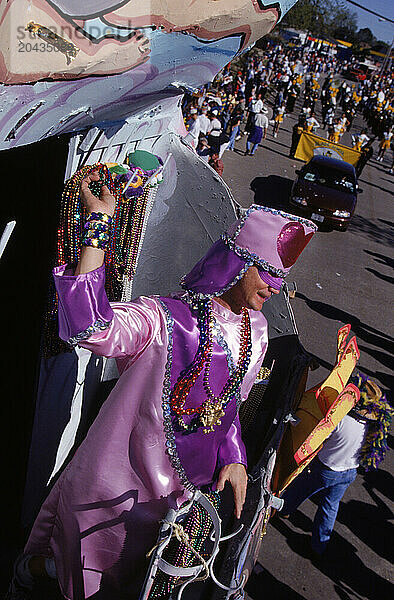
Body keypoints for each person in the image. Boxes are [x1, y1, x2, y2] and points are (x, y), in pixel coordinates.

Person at [8, 183, 317, 600]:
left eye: (282, 276)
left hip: (173, 501)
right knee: (78, 577)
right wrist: (99, 224)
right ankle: (29, 572)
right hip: (110, 496)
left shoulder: (256, 333)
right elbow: (89, 326)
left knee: (131, 582)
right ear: (237, 263)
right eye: (269, 272)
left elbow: (224, 411)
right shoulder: (161, 320)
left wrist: (236, 458)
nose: (278, 287)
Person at [279, 371, 392, 557]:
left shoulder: (340, 420)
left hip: (326, 468)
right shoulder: (375, 426)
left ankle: (284, 509)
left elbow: (318, 437)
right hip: (349, 472)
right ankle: (319, 545)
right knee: (330, 507)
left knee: (300, 489)